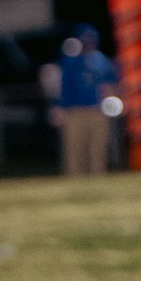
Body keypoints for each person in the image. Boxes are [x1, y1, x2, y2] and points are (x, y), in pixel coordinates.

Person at [51, 26, 118, 177]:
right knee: (74, 152)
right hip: (74, 112)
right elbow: (62, 88)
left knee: (98, 151)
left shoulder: (103, 61)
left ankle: (98, 181)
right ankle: (74, 183)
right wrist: (58, 109)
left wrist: (112, 105)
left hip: (97, 111)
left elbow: (110, 85)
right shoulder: (69, 62)